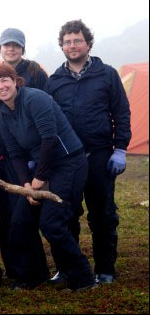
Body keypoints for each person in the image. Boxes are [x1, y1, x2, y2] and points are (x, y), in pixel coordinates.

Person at [0, 63, 97, 291]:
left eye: (4, 80)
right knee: (20, 221)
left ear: (16, 81)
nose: (0, 86)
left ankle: (83, 278)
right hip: (40, 169)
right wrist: (26, 184)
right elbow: (15, 153)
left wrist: (40, 178)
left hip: (68, 163)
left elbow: (50, 139)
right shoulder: (3, 113)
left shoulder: (35, 99)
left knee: (52, 223)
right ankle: (32, 276)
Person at [45, 20, 131, 285]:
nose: (72, 46)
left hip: (99, 155)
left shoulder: (107, 74)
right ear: (62, 46)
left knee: (102, 214)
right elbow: (48, 120)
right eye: (67, 42)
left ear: (88, 43)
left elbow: (121, 112)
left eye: (77, 40)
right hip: (66, 160)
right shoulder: (55, 80)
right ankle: (67, 267)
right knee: (65, 214)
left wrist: (120, 149)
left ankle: (105, 268)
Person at [0, 28, 50, 281]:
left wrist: (38, 156)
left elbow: (46, 111)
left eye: (16, 45)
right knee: (4, 215)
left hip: (23, 154)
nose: (11, 49)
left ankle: (34, 271)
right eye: (6, 45)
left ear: (23, 48)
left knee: (24, 213)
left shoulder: (36, 73)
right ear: (0, 48)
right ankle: (13, 271)